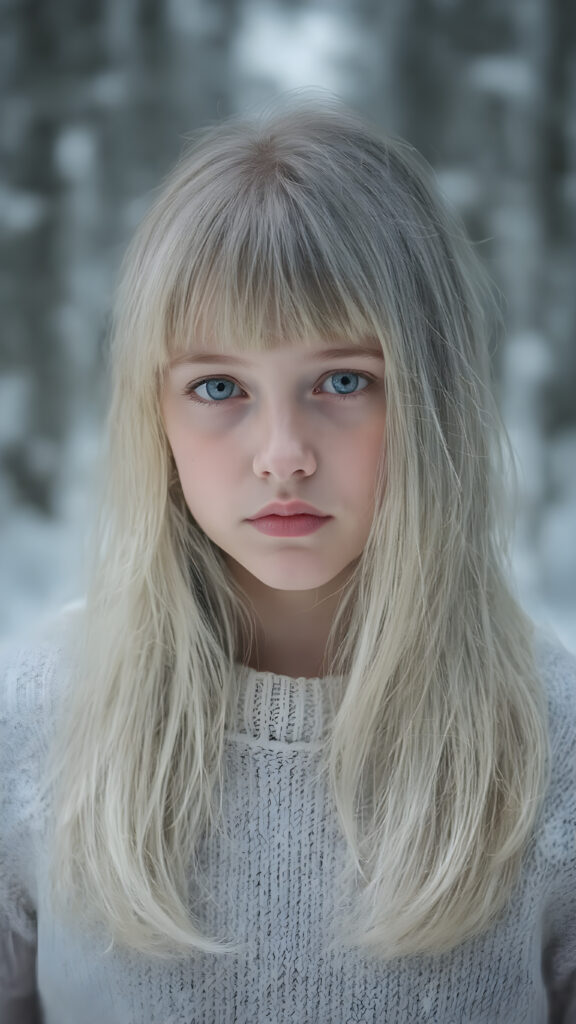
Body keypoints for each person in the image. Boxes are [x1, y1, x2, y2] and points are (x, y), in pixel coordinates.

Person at [1, 94, 575, 1024]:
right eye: (218, 386)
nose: (281, 452)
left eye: (343, 381)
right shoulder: (29, 723)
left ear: (434, 399)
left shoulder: (556, 741)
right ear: (157, 415)